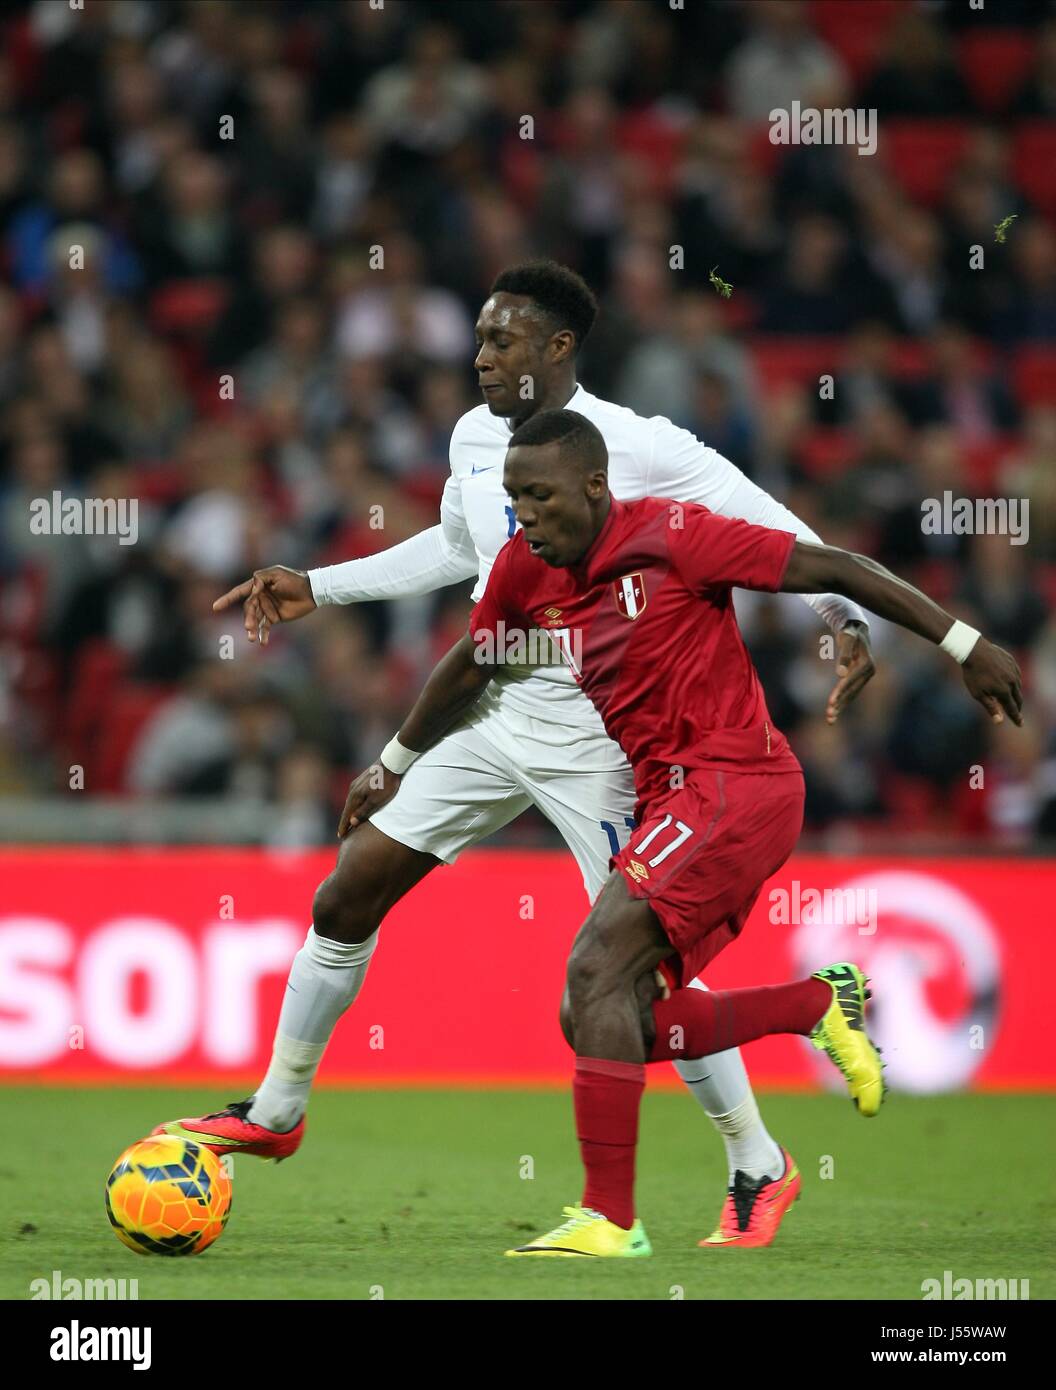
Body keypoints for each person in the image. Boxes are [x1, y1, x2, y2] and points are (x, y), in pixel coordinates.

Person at [155, 262, 876, 1248]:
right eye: (482, 336)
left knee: (634, 976)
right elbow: (464, 552)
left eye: (502, 339)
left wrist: (841, 622)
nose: (481, 355)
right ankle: (277, 1113)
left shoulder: (640, 446)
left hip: (607, 742)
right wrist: (321, 587)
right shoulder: (470, 436)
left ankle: (756, 1159)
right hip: (492, 716)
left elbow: (776, 527)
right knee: (348, 887)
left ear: (558, 347)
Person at [338, 408, 1022, 1257]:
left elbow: (835, 565)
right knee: (599, 1012)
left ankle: (610, 1220)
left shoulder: (675, 536)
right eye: (515, 497)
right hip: (673, 799)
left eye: (542, 497)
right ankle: (814, 1004)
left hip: (736, 784)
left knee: (594, 969)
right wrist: (394, 761)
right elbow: (473, 662)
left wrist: (964, 643)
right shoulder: (523, 565)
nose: (527, 516)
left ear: (596, 487)